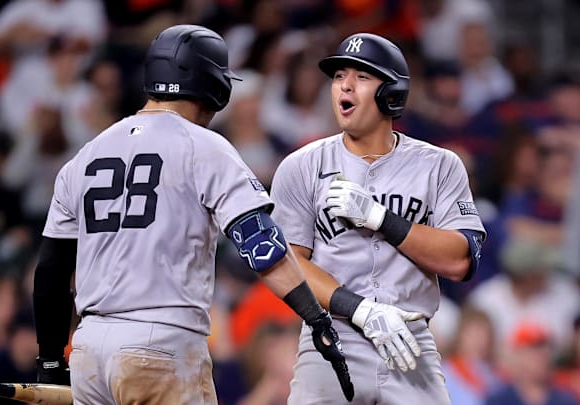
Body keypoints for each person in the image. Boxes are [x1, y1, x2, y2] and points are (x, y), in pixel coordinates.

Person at [32, 24, 353, 405]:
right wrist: (316, 317)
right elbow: (263, 248)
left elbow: (51, 270)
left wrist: (51, 361)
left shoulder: (85, 156)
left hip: (89, 350)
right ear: (212, 85)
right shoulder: (204, 146)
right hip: (161, 345)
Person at [269, 32, 486, 404]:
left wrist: (382, 219)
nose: (345, 86)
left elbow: (460, 259)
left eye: (362, 77)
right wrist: (360, 310)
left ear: (392, 94)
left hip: (411, 341)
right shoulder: (301, 166)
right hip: (330, 339)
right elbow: (287, 264)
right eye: (339, 76)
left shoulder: (439, 165)